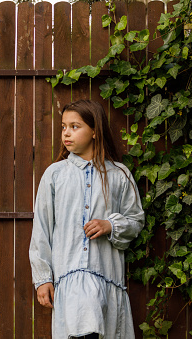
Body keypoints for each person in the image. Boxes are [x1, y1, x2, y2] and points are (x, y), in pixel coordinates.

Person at [29, 99, 145, 338]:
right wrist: (42, 278)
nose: (66, 133)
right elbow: (42, 229)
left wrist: (110, 225)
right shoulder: (55, 174)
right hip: (69, 278)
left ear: (94, 131)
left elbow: (135, 220)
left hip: (106, 276)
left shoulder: (119, 174)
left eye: (75, 126)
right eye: (63, 127)